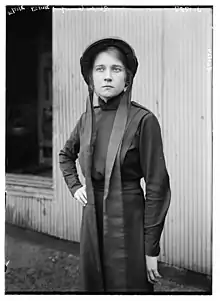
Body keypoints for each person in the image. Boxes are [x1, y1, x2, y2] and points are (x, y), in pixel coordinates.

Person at [59, 37, 171, 293]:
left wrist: (150, 248)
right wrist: (75, 186)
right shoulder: (87, 119)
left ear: (127, 78)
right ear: (91, 79)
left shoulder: (144, 120)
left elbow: (157, 187)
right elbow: (65, 155)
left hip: (128, 217)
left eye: (116, 69)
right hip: (92, 216)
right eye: (100, 69)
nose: (107, 77)